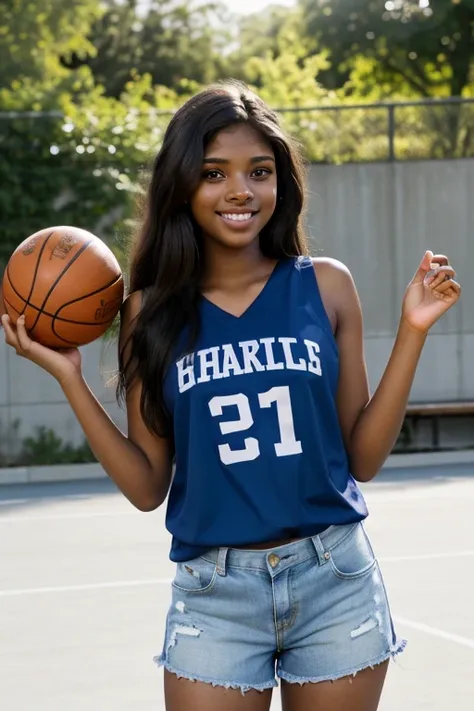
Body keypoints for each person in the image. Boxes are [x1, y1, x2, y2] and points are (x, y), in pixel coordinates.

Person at [2, 81, 461, 711]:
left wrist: (412, 332)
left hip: (334, 577)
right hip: (215, 592)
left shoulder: (326, 286)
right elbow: (145, 488)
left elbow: (364, 460)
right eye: (214, 173)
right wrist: (70, 377)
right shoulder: (149, 313)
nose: (240, 190)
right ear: (182, 186)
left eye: (260, 171)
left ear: (282, 182)